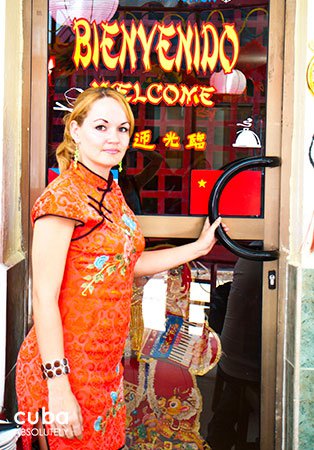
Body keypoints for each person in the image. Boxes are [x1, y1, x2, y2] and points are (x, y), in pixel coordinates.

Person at [15, 87, 227, 450]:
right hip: (63, 370)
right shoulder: (62, 197)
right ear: (76, 131)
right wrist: (58, 387)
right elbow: (44, 298)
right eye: (101, 127)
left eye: (122, 129)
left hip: (105, 370)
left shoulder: (112, 192)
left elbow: (127, 264)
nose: (114, 138)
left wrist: (197, 247)